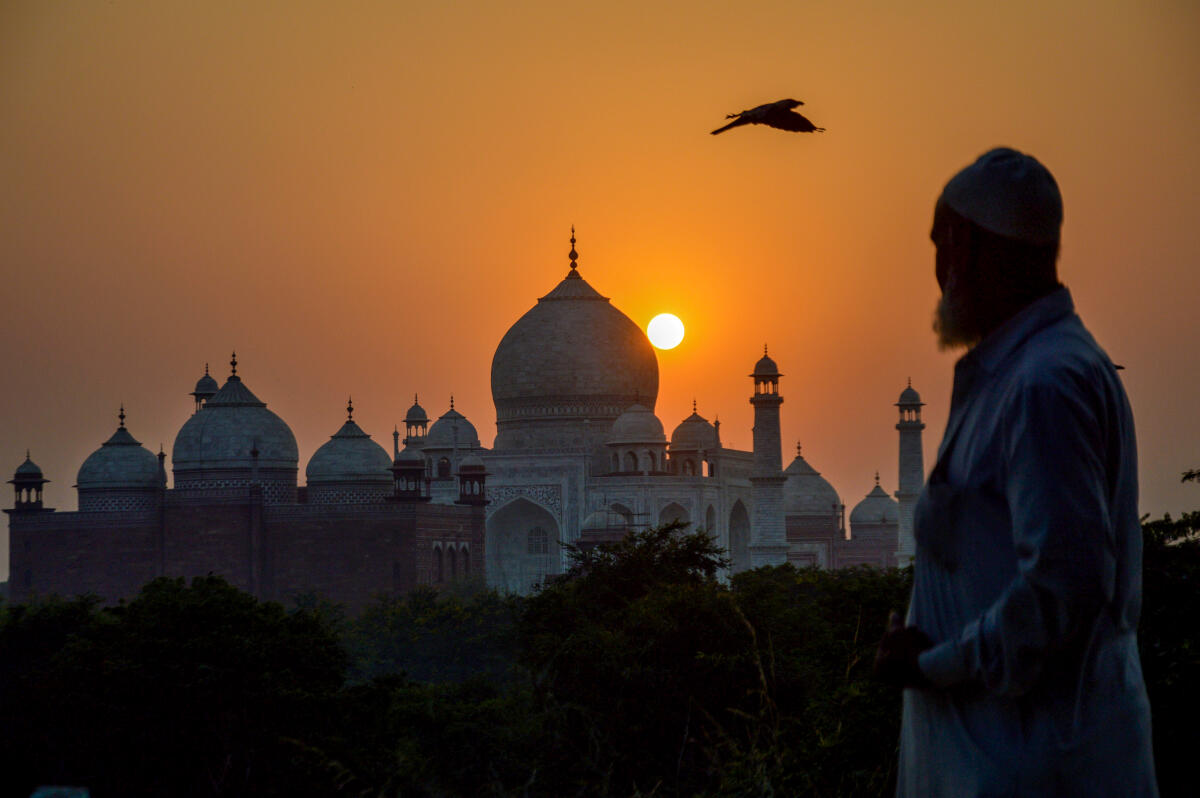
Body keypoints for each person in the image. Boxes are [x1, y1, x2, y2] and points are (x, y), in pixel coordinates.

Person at [875, 148, 1158, 796]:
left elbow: (1066, 586)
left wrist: (934, 662)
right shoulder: (1022, 376)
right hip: (1001, 763)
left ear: (965, 245)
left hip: (1037, 767)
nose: (937, 270)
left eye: (938, 246)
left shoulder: (1042, 385)